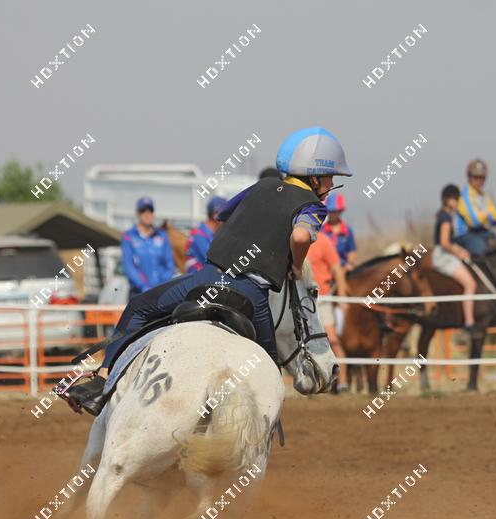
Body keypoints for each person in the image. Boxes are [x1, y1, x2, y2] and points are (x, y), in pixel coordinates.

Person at [65, 127, 352, 415]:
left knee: (138, 308)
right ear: (315, 178)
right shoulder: (313, 207)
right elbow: (300, 236)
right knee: (268, 376)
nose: (330, 186)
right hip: (251, 294)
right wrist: (296, 266)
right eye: (330, 178)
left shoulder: (261, 187)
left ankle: (102, 383)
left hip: (206, 279)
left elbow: (221, 214)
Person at [432, 184, 481, 335]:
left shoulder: (444, 215)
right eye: (455, 199)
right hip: (443, 256)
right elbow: (444, 242)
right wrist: (459, 251)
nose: (457, 202)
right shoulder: (446, 218)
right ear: (447, 200)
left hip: (443, 254)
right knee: (470, 284)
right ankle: (469, 322)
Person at [306, 232, 350, 392]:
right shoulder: (293, 239)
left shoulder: (323, 241)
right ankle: (311, 383)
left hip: (323, 298)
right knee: (304, 342)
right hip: (302, 299)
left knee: (332, 340)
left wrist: (342, 297)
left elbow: (336, 268)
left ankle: (343, 383)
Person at [121, 196, 175, 298]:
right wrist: (144, 288)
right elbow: (128, 267)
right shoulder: (128, 236)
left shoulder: (162, 236)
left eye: (150, 210)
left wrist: (160, 286)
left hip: (161, 293)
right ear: (137, 213)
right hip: (138, 294)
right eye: (143, 211)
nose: (147, 214)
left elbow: (169, 265)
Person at [455, 159, 496, 258]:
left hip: (482, 232)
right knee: (481, 248)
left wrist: (484, 215)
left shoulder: (485, 196)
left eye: (482, 178)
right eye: (476, 177)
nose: (480, 181)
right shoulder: (463, 196)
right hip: (465, 235)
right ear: (469, 178)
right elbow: (474, 221)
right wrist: (488, 215)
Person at [185, 197, 227, 272]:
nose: (228, 219)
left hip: (206, 277)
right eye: (226, 214)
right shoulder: (198, 235)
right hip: (198, 278)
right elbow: (216, 261)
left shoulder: (211, 235)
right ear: (216, 215)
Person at [321, 192, 357, 270]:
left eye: (335, 211)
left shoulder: (347, 231)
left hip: (343, 269)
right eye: (331, 211)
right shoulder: (321, 231)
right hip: (325, 269)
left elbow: (351, 252)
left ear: (340, 211)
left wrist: (349, 265)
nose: (333, 214)